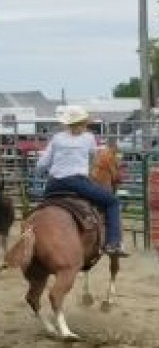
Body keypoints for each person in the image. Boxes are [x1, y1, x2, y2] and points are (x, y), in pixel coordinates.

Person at [36, 105, 129, 257]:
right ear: (82, 123)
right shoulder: (89, 138)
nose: (86, 125)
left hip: (53, 185)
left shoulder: (57, 138)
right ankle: (113, 243)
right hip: (78, 183)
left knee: (41, 207)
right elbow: (93, 160)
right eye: (85, 122)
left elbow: (42, 164)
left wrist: (43, 173)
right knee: (112, 201)